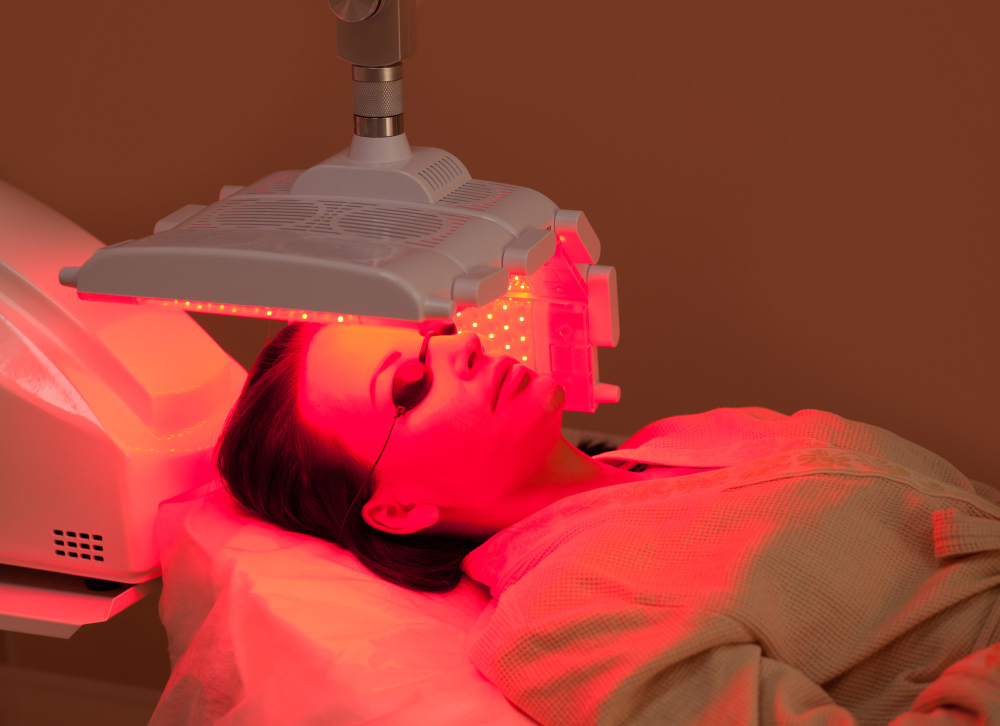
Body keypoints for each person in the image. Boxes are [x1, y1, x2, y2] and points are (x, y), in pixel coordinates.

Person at [217, 321, 1000, 725]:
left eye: (435, 330)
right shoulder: (564, 619)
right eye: (411, 382)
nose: (460, 344)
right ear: (396, 509)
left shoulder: (694, 436)